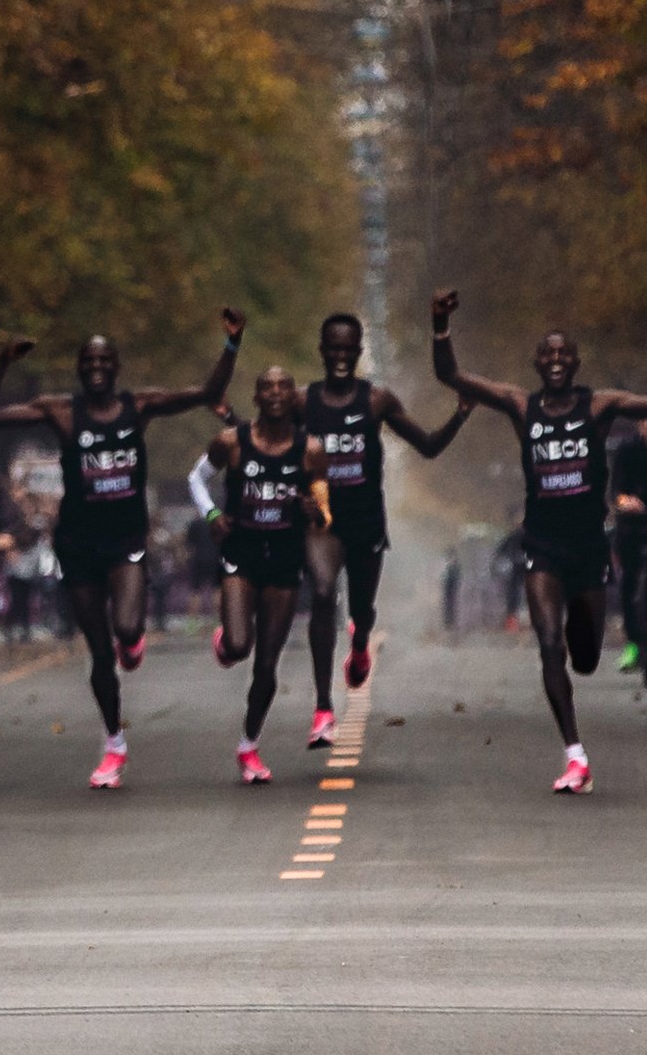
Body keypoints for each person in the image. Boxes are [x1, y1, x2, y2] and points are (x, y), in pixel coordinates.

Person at [0, 311, 245, 789]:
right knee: (100, 654)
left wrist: (231, 345)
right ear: (81, 368)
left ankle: (132, 639)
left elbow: (203, 394)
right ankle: (114, 743)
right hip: (77, 544)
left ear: (115, 367)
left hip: (126, 540)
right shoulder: (61, 411)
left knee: (125, 626)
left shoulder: (138, 406)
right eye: (89, 360)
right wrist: (1, 361)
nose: (97, 366)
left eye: (105, 359)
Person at [432, 288, 647, 793]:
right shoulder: (519, 406)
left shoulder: (600, 405)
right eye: (546, 354)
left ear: (576, 363)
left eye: (563, 354)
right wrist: (441, 325)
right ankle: (575, 757)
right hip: (544, 547)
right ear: (535, 362)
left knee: (586, 658)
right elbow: (451, 376)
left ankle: (581, 645)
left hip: (589, 549)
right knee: (549, 645)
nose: (555, 360)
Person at [297, 313, 472, 747]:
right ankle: (322, 709)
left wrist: (460, 414)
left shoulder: (376, 401)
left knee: (361, 609)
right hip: (322, 523)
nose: (340, 355)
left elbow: (427, 446)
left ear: (358, 353)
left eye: (348, 349)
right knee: (321, 596)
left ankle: (360, 646)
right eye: (333, 348)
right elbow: (272, 447)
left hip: (366, 522)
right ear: (322, 351)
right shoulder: (303, 403)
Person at [188, 367, 330, 782]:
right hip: (241, 553)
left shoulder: (311, 451)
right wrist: (212, 514)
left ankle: (249, 746)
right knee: (239, 644)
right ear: (256, 396)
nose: (275, 393)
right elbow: (196, 479)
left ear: (293, 398)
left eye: (284, 386)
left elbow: (323, 512)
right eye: (266, 386)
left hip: (284, 558)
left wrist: (313, 512)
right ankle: (228, 643)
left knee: (267, 662)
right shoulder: (231, 443)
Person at [610, 420, 647, 675]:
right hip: (633, 528)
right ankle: (633, 643)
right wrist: (625, 502)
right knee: (629, 583)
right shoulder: (627, 451)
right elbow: (616, 491)